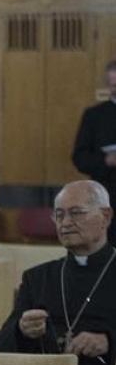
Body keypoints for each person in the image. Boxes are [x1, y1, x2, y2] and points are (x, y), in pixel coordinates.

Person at [0, 180, 115, 365]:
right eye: (59, 215)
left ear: (105, 217)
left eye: (76, 213)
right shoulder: (37, 278)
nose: (65, 223)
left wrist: (109, 341)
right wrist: (22, 330)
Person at [72, 60, 116, 245]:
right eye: (113, 84)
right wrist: (106, 161)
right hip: (108, 198)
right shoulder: (94, 116)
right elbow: (80, 157)